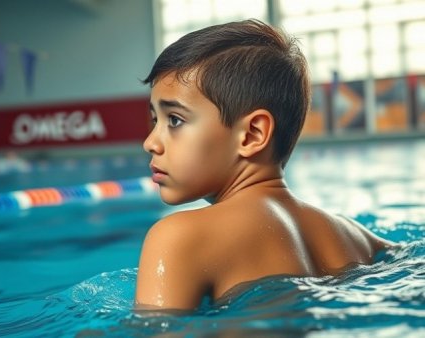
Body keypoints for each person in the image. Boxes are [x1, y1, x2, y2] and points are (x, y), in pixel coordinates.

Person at [135, 19, 393, 311]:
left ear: (252, 134)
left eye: (175, 120)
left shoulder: (178, 237)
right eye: (155, 120)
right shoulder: (360, 238)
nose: (150, 142)